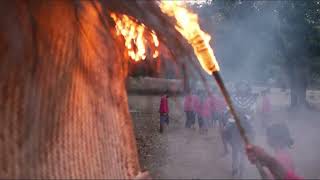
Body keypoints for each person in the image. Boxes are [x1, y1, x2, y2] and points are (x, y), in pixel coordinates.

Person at [221, 108, 255, 178]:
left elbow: (225, 129)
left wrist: (225, 132)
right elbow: (252, 130)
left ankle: (234, 170)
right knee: (243, 157)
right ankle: (241, 174)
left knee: (235, 156)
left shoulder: (232, 119)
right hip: (244, 141)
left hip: (235, 141)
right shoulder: (247, 119)